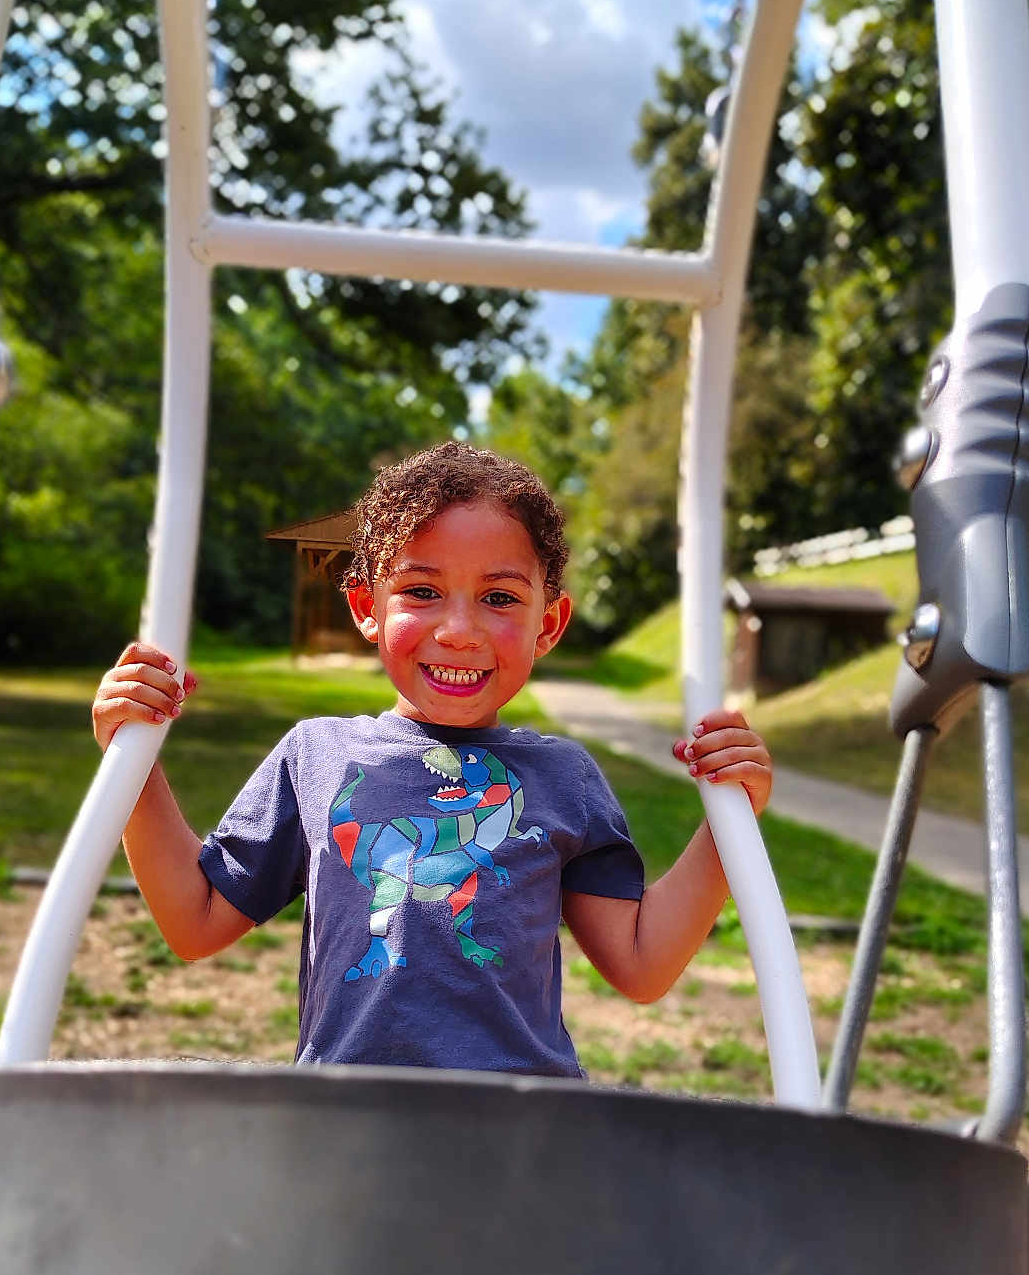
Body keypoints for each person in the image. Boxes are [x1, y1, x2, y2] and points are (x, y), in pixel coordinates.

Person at [92, 439, 772, 1075]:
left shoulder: (565, 777)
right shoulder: (316, 755)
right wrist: (133, 760)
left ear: (549, 623)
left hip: (521, 1133)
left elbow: (642, 965)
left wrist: (729, 821)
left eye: (499, 598)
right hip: (348, 1127)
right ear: (366, 606)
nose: (458, 632)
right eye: (421, 591)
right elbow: (194, 921)